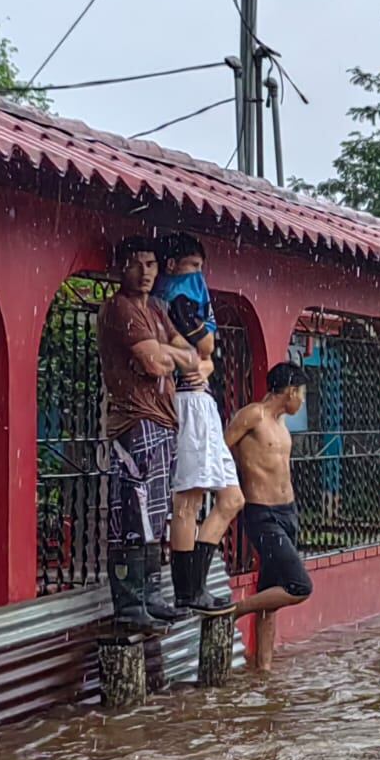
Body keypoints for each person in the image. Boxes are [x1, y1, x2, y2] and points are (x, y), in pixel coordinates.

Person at [97, 235, 201, 628]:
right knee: (132, 513)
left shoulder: (157, 308)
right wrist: (167, 355)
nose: (145, 272)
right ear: (121, 267)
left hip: (163, 419)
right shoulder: (119, 309)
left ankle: (151, 597)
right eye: (137, 263)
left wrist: (166, 354)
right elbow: (157, 363)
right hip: (133, 422)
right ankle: (128, 605)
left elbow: (190, 357)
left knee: (156, 513)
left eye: (152, 264)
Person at [153, 232, 241, 615]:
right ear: (173, 266)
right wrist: (203, 356)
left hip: (203, 402)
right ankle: (187, 591)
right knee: (187, 501)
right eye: (193, 268)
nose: (198, 277)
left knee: (231, 498)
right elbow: (204, 348)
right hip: (188, 403)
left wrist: (204, 359)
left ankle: (197, 583)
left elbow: (208, 357)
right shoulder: (170, 302)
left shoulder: (187, 300)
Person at [226, 362, 314, 670]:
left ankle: (263, 671)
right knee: (298, 586)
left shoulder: (281, 424)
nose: (302, 401)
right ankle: (235, 611)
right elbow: (223, 449)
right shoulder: (253, 415)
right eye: (301, 394)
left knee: (270, 595)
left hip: (288, 512)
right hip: (262, 514)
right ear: (289, 391)